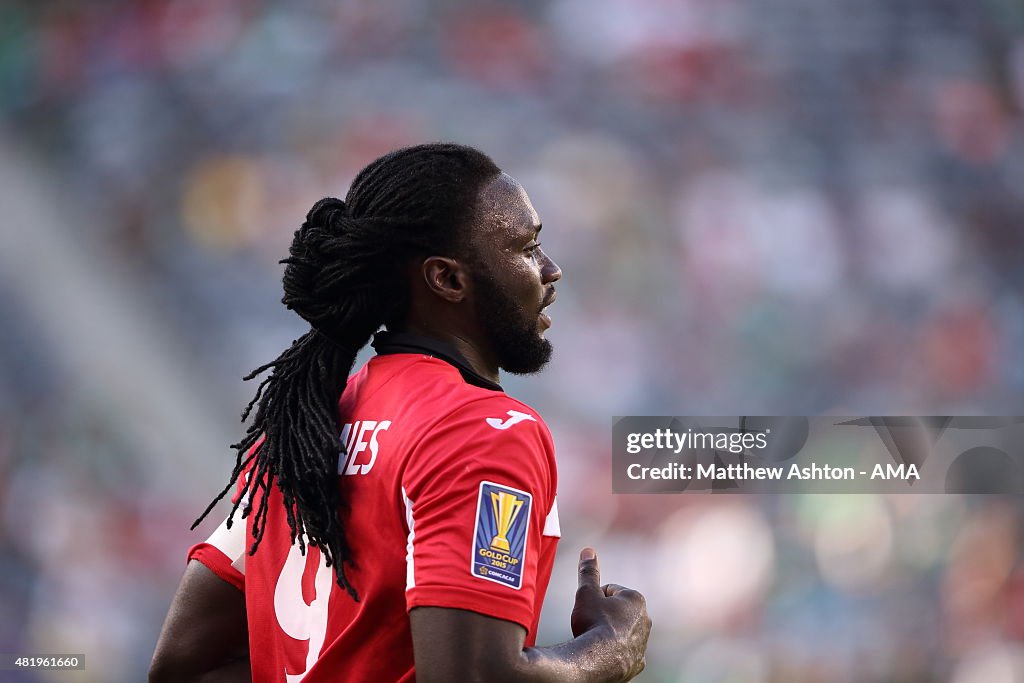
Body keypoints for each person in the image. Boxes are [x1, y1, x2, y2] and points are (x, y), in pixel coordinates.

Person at [150, 143, 651, 682]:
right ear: (448, 279)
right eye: (526, 248)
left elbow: (182, 667)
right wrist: (609, 652)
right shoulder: (485, 432)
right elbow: (474, 677)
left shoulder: (304, 428)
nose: (551, 270)